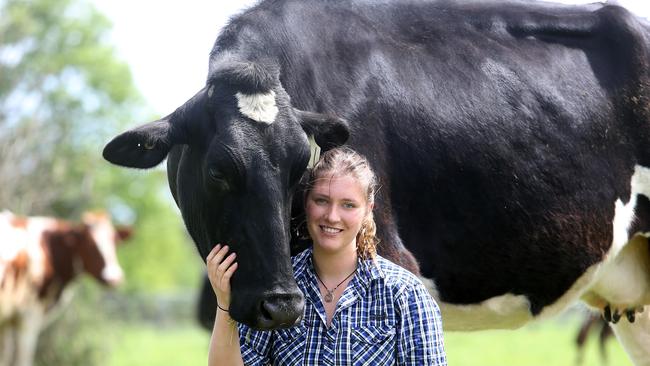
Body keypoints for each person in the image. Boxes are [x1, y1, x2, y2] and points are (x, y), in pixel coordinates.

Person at [207, 147, 447, 365]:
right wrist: (225, 304)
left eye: (348, 205)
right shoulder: (277, 290)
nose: (332, 216)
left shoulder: (405, 295)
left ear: (368, 209)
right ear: (307, 202)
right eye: (322, 200)